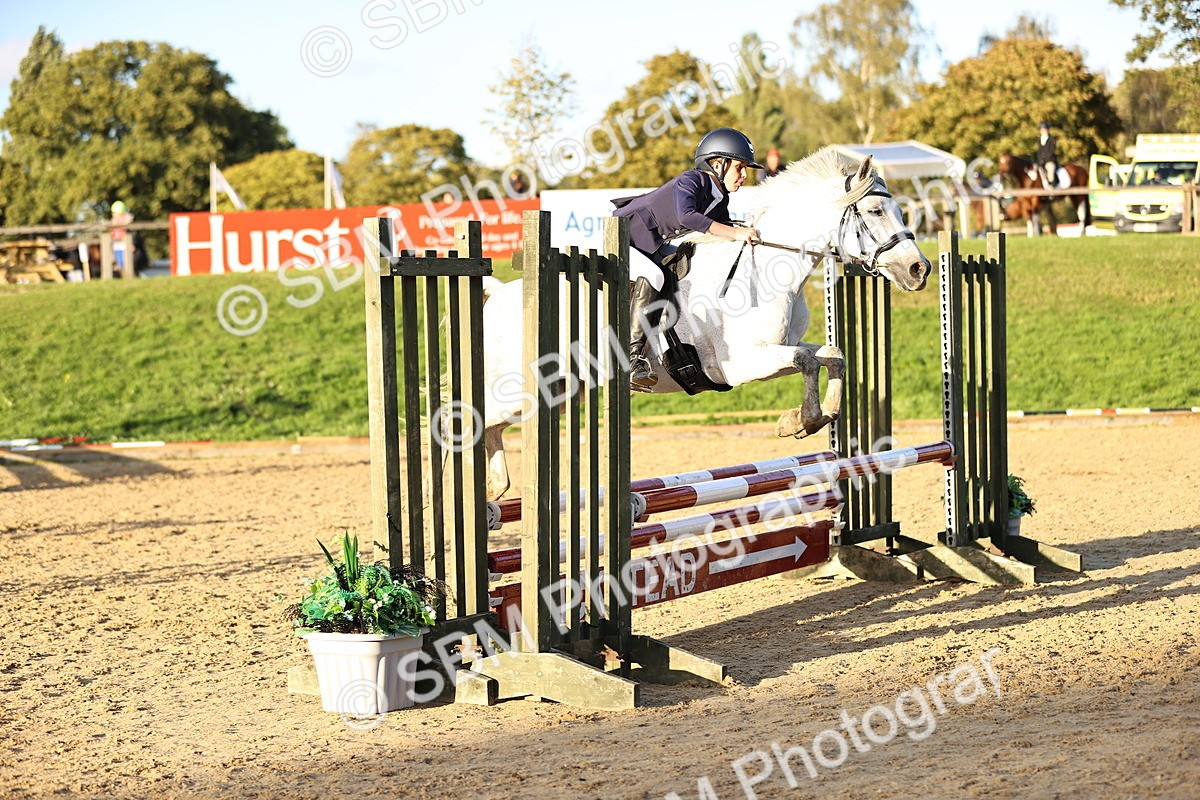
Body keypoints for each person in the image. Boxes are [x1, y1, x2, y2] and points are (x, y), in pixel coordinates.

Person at [612, 128, 763, 388]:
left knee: (686, 267)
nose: (744, 175)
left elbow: (722, 226)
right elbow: (688, 217)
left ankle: (668, 342)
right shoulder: (691, 180)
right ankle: (631, 358)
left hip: (653, 244)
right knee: (656, 275)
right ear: (719, 163)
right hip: (623, 237)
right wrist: (737, 232)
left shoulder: (719, 195)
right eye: (740, 167)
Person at [1035, 122, 1058, 189]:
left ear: (1047, 130)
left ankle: (1052, 188)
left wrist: (1045, 160)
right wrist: (1039, 160)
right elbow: (1039, 151)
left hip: (1050, 161)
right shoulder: (1040, 140)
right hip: (1041, 162)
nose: (1042, 131)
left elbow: (1051, 151)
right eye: (1041, 130)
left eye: (1044, 130)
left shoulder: (1052, 139)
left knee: (1050, 173)